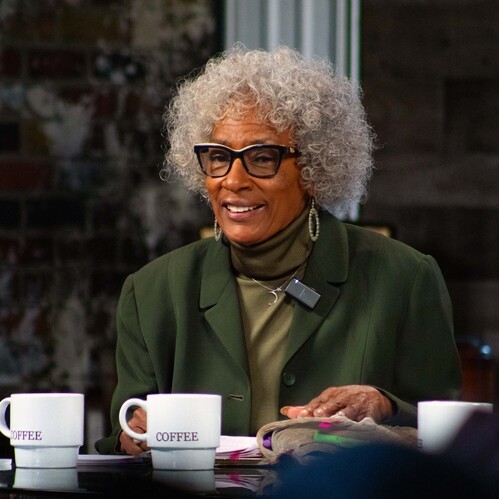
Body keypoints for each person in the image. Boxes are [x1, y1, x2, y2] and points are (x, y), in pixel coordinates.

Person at [96, 45, 461, 455]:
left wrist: (385, 405)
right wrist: (132, 439)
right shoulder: (152, 292)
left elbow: (449, 441)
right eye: (218, 157)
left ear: (313, 169)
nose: (233, 180)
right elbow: (120, 439)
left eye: (262, 158)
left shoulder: (404, 279)